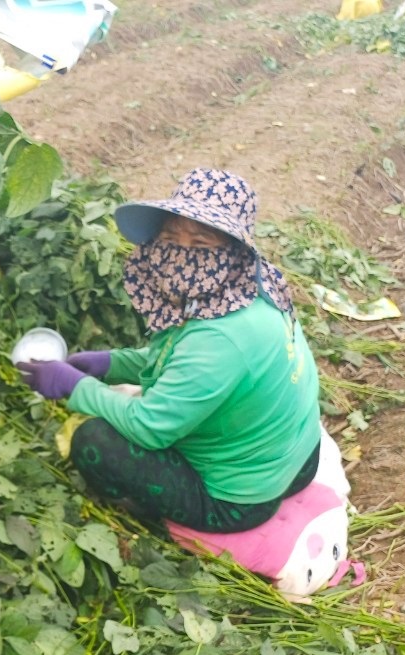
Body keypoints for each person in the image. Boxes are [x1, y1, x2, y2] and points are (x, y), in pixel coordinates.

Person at [17, 168, 323, 534]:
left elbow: (150, 428)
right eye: (171, 237)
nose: (181, 257)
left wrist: (75, 387)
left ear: (233, 252)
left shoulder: (220, 339)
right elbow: (183, 360)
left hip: (240, 501)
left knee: (94, 442)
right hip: (300, 457)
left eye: (201, 244)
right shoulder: (253, 292)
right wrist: (111, 364)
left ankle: (146, 516)